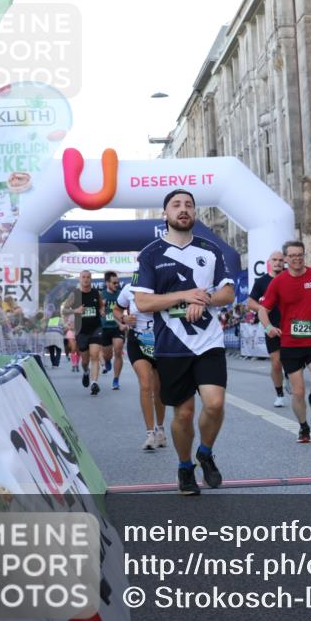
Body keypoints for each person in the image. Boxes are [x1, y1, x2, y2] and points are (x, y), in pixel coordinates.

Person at [132, 189, 234, 496]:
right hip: (171, 344)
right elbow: (143, 302)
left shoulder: (210, 249)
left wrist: (203, 299)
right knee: (184, 413)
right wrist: (183, 296)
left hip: (208, 341)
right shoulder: (150, 254)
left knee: (215, 403)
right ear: (165, 214)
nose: (183, 209)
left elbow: (228, 293)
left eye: (188, 204)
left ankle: (205, 452)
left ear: (194, 213)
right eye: (176, 205)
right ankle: (185, 466)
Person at [259, 241, 311, 443]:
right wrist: (269, 328)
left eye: (300, 255)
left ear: (304, 255)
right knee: (297, 392)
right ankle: (304, 427)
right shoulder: (278, 282)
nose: (296, 258)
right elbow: (263, 310)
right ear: (286, 259)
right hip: (290, 344)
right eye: (292, 255)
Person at [115, 274, 167, 451]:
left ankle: (160, 428)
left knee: (158, 388)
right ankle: (150, 434)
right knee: (145, 384)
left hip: (160, 341)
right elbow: (116, 310)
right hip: (137, 341)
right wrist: (123, 319)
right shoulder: (129, 288)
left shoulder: (162, 285)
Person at [247, 250, 288, 407]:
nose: (278, 263)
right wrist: (263, 309)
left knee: (292, 359)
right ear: (269, 262)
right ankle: (280, 394)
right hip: (271, 326)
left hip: (290, 325)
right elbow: (250, 303)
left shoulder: (290, 277)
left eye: (280, 260)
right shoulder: (261, 282)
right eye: (274, 260)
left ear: (284, 262)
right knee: (276, 362)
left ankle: (290, 375)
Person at [62, 270, 104, 395]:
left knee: (94, 355)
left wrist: (102, 310)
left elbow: (101, 306)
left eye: (88, 277)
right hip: (81, 331)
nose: (86, 279)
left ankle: (94, 383)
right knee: (85, 361)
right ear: (80, 279)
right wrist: (76, 310)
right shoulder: (75, 294)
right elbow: (64, 310)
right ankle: (86, 372)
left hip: (96, 328)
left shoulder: (97, 293)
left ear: (91, 279)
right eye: (83, 277)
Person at [100, 271, 125, 390]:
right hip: (105, 327)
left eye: (117, 283)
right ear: (107, 283)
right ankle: (107, 360)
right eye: (114, 283)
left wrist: (124, 321)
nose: (117, 285)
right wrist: (102, 309)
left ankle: (116, 379)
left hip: (117, 327)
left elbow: (127, 309)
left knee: (118, 350)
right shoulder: (101, 295)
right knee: (107, 354)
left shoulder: (121, 294)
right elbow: (99, 312)